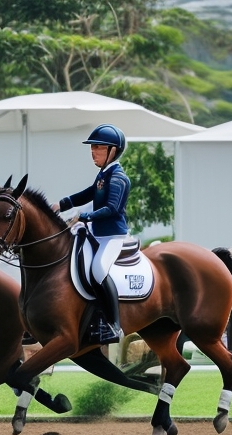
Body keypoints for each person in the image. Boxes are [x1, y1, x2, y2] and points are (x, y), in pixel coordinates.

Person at [51, 123, 131, 343]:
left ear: (112, 150)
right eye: (92, 147)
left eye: (98, 147)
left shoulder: (118, 178)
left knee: (97, 270)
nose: (93, 152)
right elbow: (88, 194)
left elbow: (111, 209)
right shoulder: (103, 175)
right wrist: (61, 204)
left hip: (112, 236)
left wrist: (82, 217)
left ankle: (114, 326)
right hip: (96, 234)